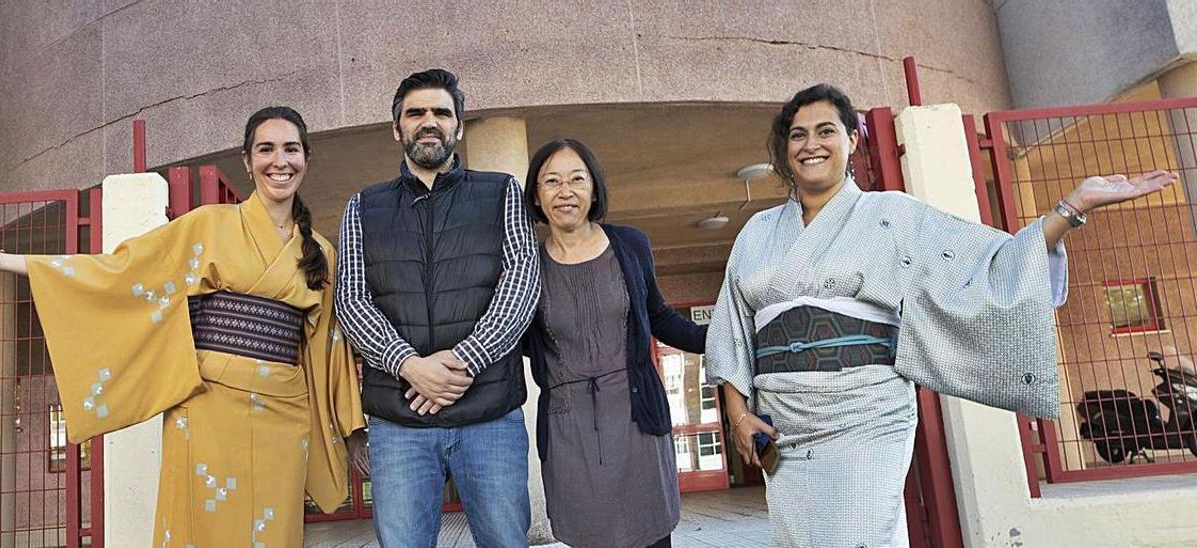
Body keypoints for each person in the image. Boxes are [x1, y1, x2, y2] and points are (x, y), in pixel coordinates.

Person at [704, 84, 1177, 547]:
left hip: (866, 418)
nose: (811, 145)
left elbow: (989, 264)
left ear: (851, 140)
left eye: (826, 131)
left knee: (854, 534)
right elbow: (733, 330)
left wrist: (1073, 207)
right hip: (784, 427)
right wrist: (739, 415)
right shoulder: (756, 232)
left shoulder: (892, 215)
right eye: (798, 134)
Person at [0, 106, 368, 546]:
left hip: (283, 412)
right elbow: (123, 272)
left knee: (275, 533)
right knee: (203, 529)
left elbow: (328, 347)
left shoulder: (320, 253)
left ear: (306, 159)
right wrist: (4, 261)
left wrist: (352, 427)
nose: (280, 161)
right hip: (209, 405)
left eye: (291, 149)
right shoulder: (207, 225)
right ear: (248, 162)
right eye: (266, 149)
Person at [334, 68, 540, 547]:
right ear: (397, 129)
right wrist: (408, 365)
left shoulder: (501, 192)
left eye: (441, 113)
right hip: (400, 424)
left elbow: (521, 281)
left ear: (459, 127)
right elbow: (351, 299)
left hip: (489, 415)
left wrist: (463, 360)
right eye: (416, 113)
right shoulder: (362, 207)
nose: (429, 122)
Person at [520, 139, 706, 548]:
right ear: (536, 194)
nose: (565, 191)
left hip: (636, 418)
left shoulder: (630, 245)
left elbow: (660, 318)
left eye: (576, 179)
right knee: (588, 534)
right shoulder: (527, 265)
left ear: (593, 188)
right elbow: (514, 339)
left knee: (651, 533)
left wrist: (722, 337)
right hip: (569, 429)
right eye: (551, 181)